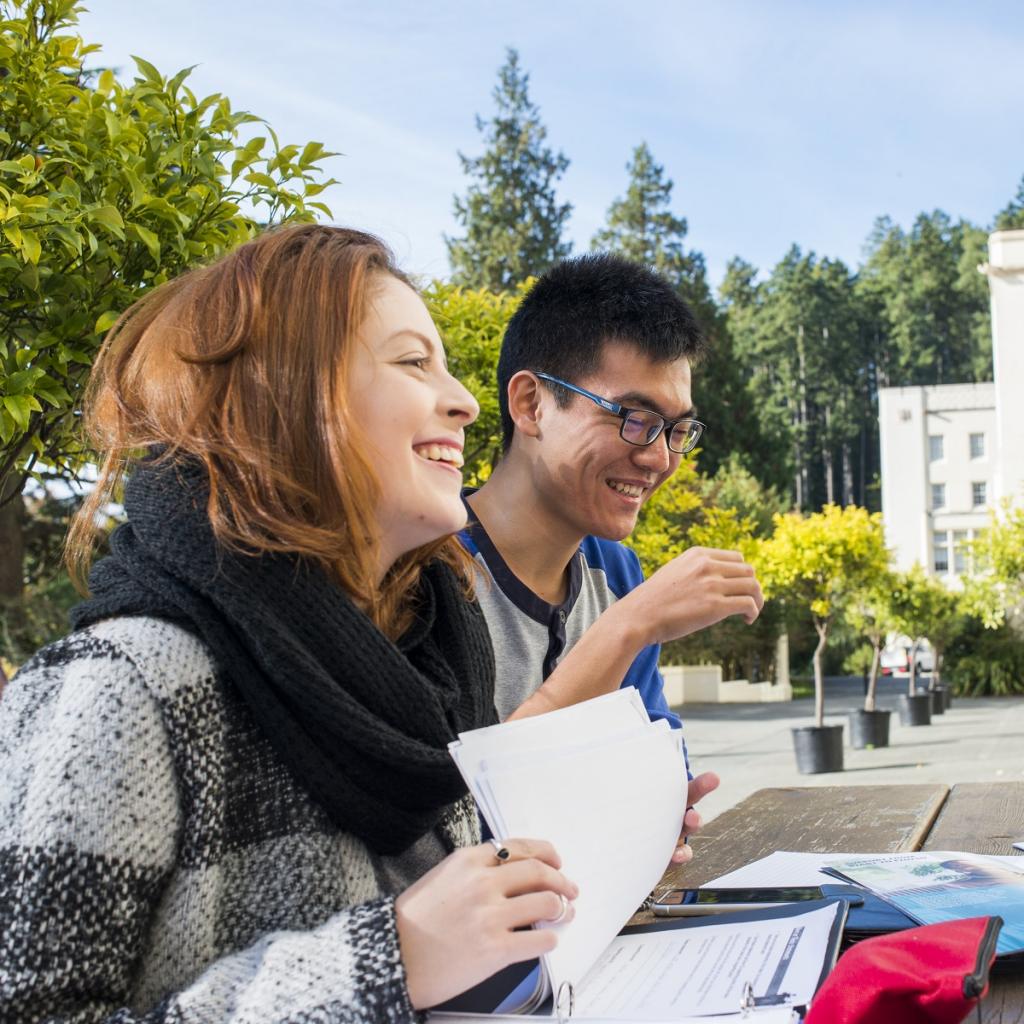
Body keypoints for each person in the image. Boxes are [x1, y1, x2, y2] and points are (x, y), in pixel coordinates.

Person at [0, 225, 578, 1023]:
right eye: (414, 361)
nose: (466, 401)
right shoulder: (119, 685)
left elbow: (464, 937)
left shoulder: (431, 660)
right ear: (286, 395)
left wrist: (601, 833)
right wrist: (390, 957)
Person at [463, 254, 765, 850]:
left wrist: (663, 808)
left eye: (677, 430)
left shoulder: (615, 572)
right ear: (531, 405)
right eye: (634, 418)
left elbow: (656, 769)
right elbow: (453, 824)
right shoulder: (425, 571)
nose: (659, 459)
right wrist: (628, 626)